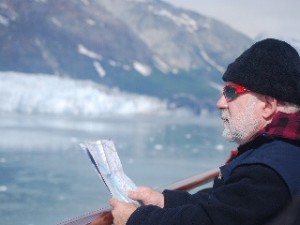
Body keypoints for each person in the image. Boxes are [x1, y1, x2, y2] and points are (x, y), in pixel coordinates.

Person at [108, 38, 300, 225]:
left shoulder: (267, 170)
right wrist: (164, 201)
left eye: (231, 92)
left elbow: (211, 220)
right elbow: (227, 203)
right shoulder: (281, 153)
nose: (220, 103)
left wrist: (136, 219)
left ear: (267, 106)